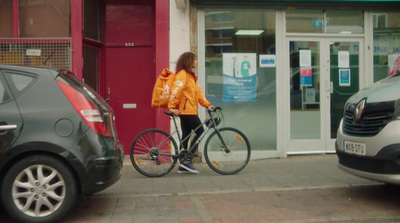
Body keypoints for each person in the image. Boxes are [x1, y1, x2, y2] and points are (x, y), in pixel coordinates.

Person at [168, 52, 214, 174]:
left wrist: (207, 105)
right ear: (189, 61)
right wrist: (171, 107)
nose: (196, 62)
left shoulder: (191, 76)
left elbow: (198, 94)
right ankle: (187, 160)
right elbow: (175, 90)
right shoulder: (183, 75)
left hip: (189, 110)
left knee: (186, 135)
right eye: (195, 59)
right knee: (200, 131)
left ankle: (184, 164)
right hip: (186, 111)